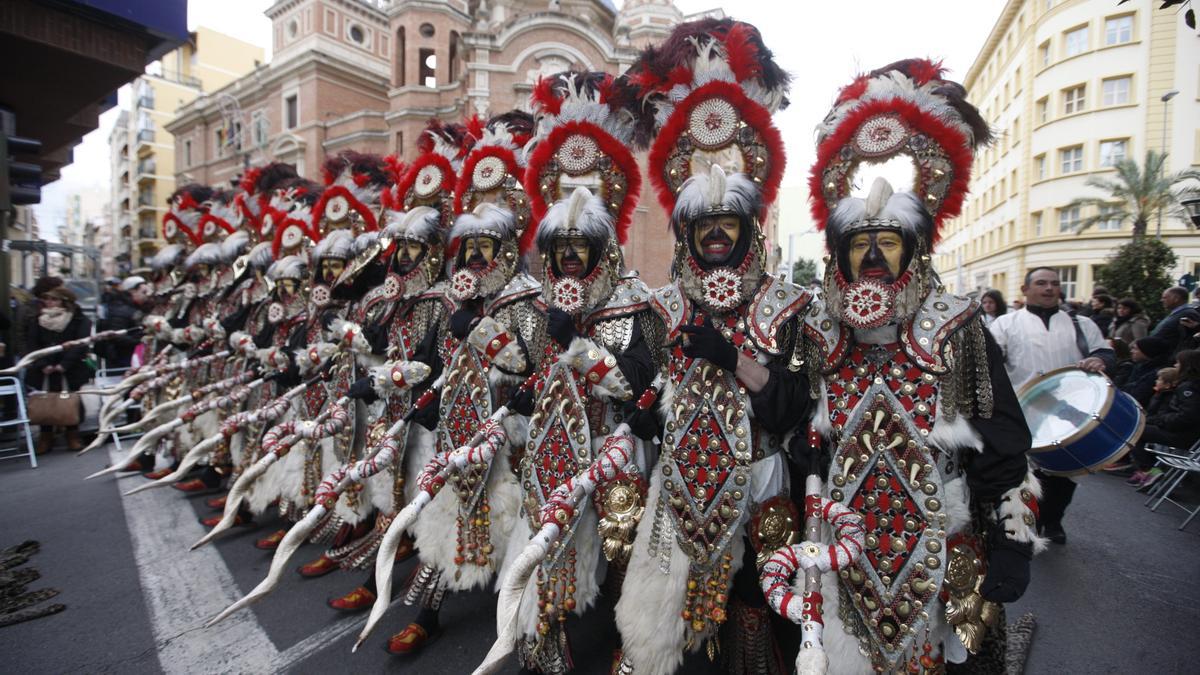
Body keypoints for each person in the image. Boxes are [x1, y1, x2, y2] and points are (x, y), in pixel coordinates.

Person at [793, 58, 1038, 673]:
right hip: (841, 543)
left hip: (939, 538)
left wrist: (1012, 545)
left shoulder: (955, 325)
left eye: (889, 241)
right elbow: (800, 429)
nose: (873, 255)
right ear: (841, 256)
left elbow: (1004, 440)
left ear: (914, 249)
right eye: (859, 244)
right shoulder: (820, 329)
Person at [989, 267, 1115, 545]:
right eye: (1042, 283)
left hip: (1068, 413)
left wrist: (1100, 361)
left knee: (1063, 473)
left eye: (1054, 284)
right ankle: (1019, 521)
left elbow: (1104, 351)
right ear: (1025, 289)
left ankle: (1053, 519)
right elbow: (990, 361)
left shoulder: (1082, 324)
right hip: (1021, 411)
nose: (1049, 288)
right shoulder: (1006, 324)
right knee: (1019, 472)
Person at [24, 286, 94, 453]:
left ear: (65, 301)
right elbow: (32, 344)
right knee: (45, 400)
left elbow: (81, 343)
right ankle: (45, 436)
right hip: (45, 370)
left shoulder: (79, 319)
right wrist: (43, 364)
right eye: (46, 299)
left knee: (69, 399)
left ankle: (72, 434)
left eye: (54, 299)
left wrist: (65, 364)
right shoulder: (37, 320)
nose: (49, 302)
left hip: (70, 368)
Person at [1126, 351, 1200, 487]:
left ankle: (1149, 469)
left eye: (1178, 363)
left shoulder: (1189, 388)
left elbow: (1186, 417)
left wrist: (1160, 420)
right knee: (1139, 427)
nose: (1175, 365)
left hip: (1181, 435)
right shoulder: (1188, 385)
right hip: (1181, 432)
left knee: (1135, 431)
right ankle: (1147, 468)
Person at [96, 276, 150, 371]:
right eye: (143, 292)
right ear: (132, 291)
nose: (147, 296)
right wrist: (140, 341)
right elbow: (116, 336)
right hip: (121, 360)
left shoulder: (132, 307)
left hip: (128, 358)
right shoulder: (121, 310)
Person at [1121, 336, 1173, 407]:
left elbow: (1137, 395)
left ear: (1147, 352)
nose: (1131, 351)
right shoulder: (1138, 365)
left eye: (1136, 349)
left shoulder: (1156, 373)